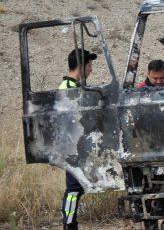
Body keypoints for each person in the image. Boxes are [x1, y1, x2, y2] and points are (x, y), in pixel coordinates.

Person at [58, 48, 97, 229]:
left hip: (76, 147)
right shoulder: (67, 89)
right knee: (73, 189)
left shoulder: (75, 87)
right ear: (81, 66)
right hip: (72, 148)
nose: (91, 70)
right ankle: (69, 224)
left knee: (77, 188)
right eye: (89, 65)